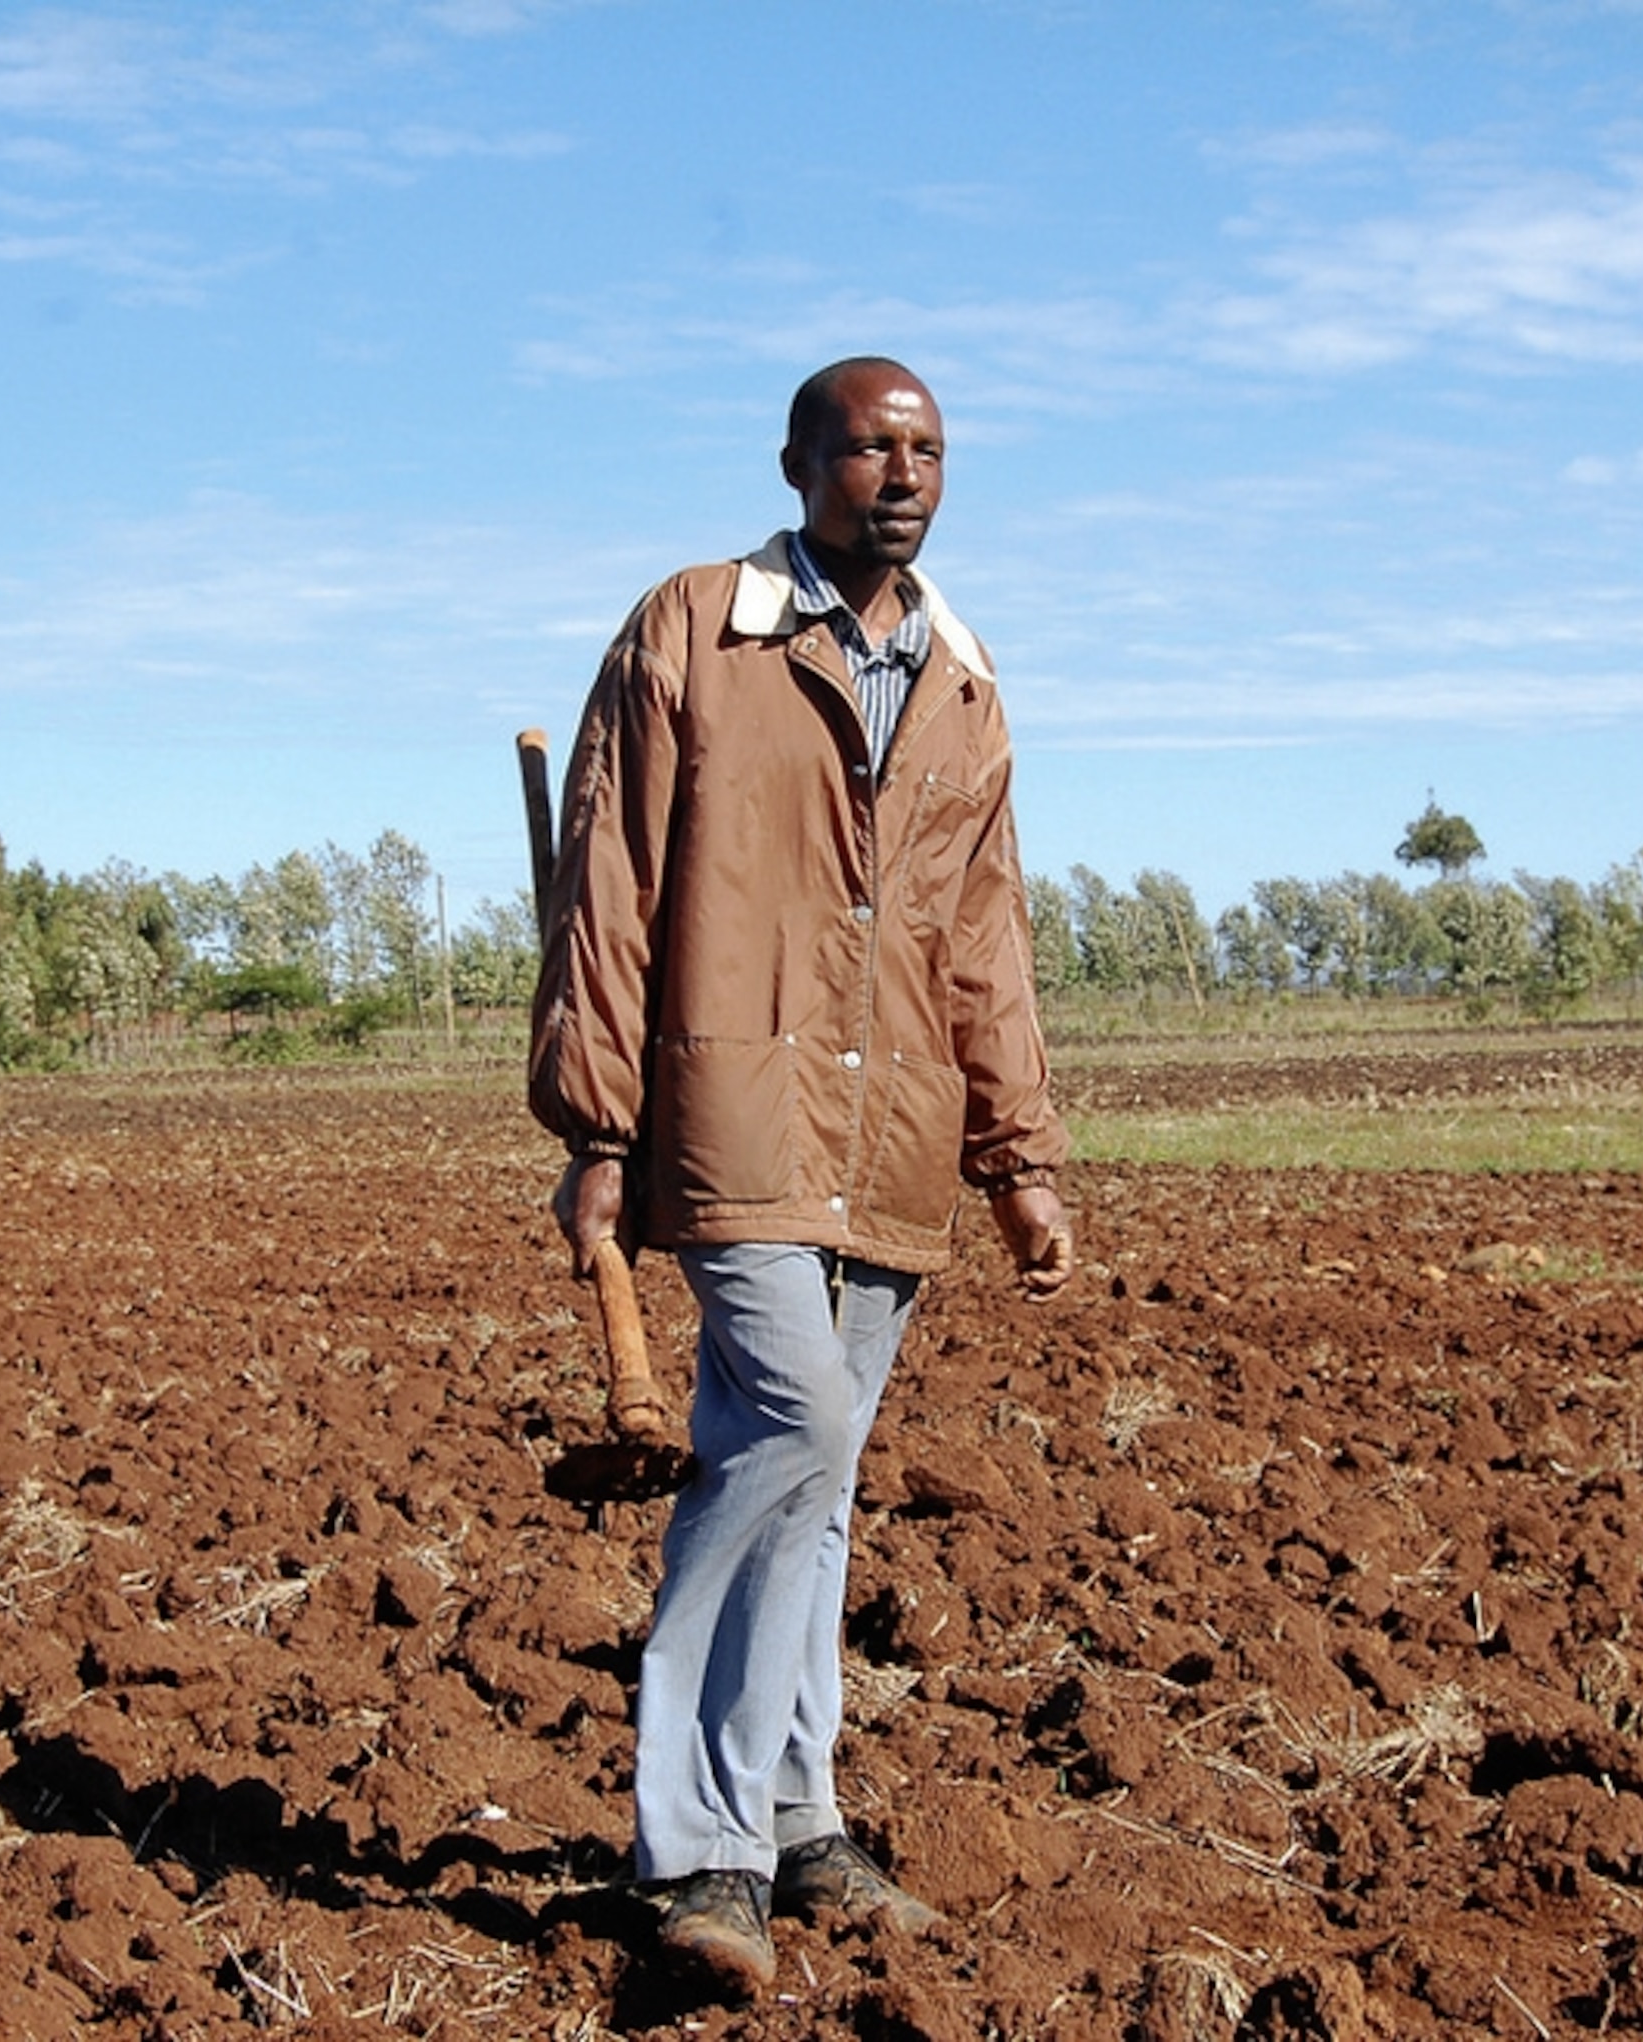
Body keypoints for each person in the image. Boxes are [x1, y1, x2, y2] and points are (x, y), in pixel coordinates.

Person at [527, 356, 1073, 1996]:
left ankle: (794, 1807)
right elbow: (608, 875)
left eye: (926, 449)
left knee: (822, 1484)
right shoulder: (696, 628)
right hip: (736, 1104)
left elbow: (985, 940)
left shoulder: (965, 684)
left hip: (895, 1125)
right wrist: (597, 1128)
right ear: (796, 460)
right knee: (792, 1424)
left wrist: (1019, 1153)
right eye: (865, 447)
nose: (899, 474)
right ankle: (694, 1849)